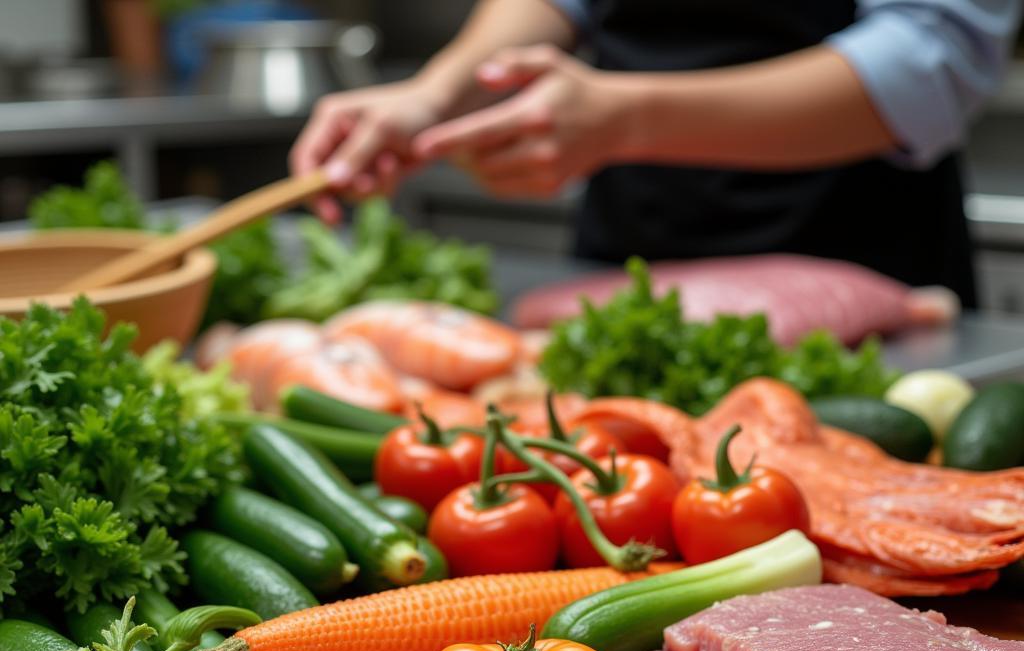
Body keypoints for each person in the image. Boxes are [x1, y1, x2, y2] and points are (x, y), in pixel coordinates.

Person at [291, 0, 1023, 306]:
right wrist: (436, 93)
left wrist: (624, 121)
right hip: (629, 257)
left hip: (860, 260)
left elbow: (930, 60)